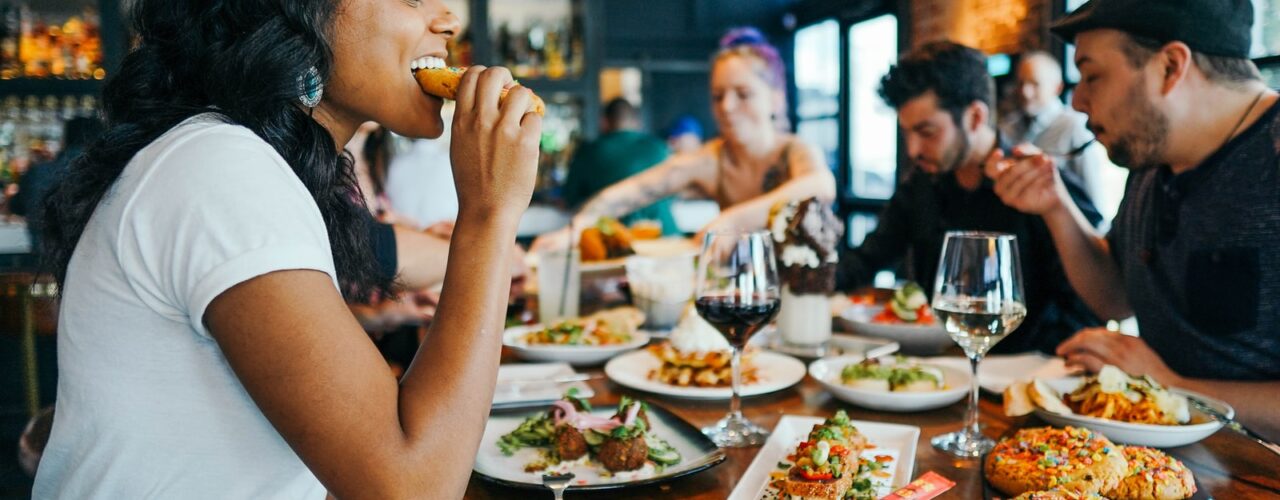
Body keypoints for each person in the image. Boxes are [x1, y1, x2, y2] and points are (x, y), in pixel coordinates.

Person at [33, 0, 541, 497]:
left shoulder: (255, 165)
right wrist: (490, 213)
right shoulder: (220, 169)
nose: (450, 20)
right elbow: (412, 486)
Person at [987, 0, 1280, 439]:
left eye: (1092, 76)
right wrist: (1055, 205)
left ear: (1170, 67)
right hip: (1164, 458)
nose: (1079, 101)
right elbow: (1115, 296)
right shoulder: (1152, 162)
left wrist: (1172, 387)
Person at [836, 41, 1103, 354]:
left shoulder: (1040, 185)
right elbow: (865, 260)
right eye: (907, 133)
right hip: (939, 368)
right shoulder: (921, 185)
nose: (912, 150)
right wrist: (803, 272)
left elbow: (1090, 306)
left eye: (927, 132)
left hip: (1023, 378)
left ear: (975, 117)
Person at [531, 27, 835, 250]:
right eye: (718, 96)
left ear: (776, 100)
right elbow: (633, 191)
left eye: (743, 94)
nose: (726, 107)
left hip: (807, 301)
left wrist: (731, 221)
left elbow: (820, 186)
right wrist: (574, 230)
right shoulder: (712, 159)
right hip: (744, 298)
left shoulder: (795, 150)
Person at [1000, 51, 1125, 222]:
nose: (1025, 92)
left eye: (1034, 84)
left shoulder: (1074, 127)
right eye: (1021, 83)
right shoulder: (1008, 127)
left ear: (1057, 87)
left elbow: (1093, 199)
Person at [561, 97, 676, 233]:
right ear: (636, 121)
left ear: (604, 122)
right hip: (665, 236)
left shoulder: (588, 152)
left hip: (613, 240)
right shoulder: (660, 147)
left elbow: (571, 198)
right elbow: (673, 194)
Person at [9, 117, 104, 255]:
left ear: (64, 140)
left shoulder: (37, 172)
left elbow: (16, 207)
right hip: (92, 264)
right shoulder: (106, 174)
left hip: (41, 265)